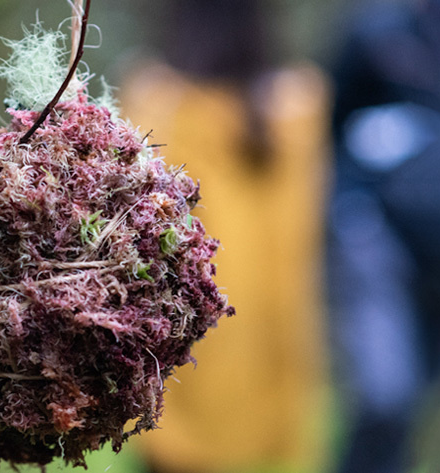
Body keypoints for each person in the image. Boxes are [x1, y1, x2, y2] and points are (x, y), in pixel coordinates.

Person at [119, 1, 331, 471]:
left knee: (172, 448)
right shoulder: (298, 101)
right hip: (264, 332)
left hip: (185, 325)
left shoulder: (158, 97)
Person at [326, 1, 440, 472]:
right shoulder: (381, 33)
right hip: (377, 242)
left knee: (420, 401)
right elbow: (329, 126)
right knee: (386, 398)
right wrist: (349, 212)